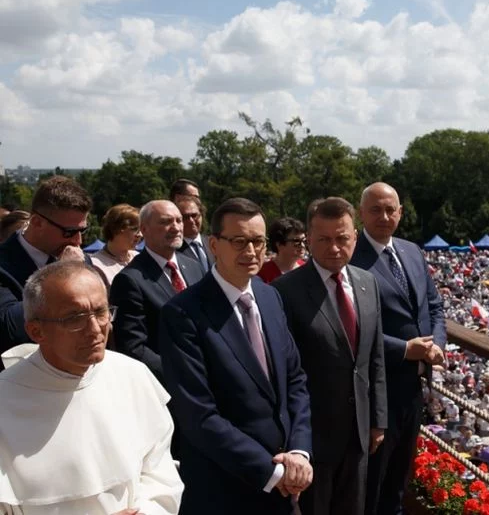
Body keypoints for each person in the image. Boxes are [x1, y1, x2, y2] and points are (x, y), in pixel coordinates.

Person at [159, 198, 312, 514]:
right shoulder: (183, 313)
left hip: (283, 485)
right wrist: (272, 471)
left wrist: (299, 451)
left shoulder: (270, 296)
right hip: (223, 489)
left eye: (258, 241)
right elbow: (198, 415)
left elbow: (295, 380)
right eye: (239, 241)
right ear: (214, 244)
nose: (252, 251)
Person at [0, 261, 183, 514]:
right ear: (36, 331)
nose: (95, 329)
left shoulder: (132, 376)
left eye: (101, 312)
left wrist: (148, 511)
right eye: (75, 318)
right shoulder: (5, 400)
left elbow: (160, 472)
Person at [272, 197, 387, 515]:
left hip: (359, 433)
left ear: (355, 237)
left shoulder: (368, 283)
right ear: (308, 239)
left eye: (342, 238)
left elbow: (374, 356)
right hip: (312, 438)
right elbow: (282, 370)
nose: (334, 248)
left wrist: (378, 419)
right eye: (324, 239)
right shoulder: (284, 291)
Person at [351, 182, 446, 515]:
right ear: (361, 213)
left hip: (412, 390)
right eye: (375, 209)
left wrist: (437, 346)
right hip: (375, 391)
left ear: (401, 213)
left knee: (398, 482)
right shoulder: (350, 258)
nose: (384, 216)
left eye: (391, 209)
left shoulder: (411, 251)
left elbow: (434, 306)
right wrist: (405, 349)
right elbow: (350, 327)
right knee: (371, 486)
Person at [109, 200, 203, 382]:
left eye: (178, 220)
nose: (176, 228)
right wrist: (181, 375)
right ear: (144, 229)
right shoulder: (130, 280)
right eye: (165, 222)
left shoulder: (194, 267)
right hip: (169, 387)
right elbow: (133, 347)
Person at [0, 176, 92, 358]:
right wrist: (61, 275)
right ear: (37, 222)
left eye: (82, 231)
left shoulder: (79, 259)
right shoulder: (4, 264)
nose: (78, 241)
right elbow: (9, 327)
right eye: (69, 232)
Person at [90, 204, 142, 287]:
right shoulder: (95, 264)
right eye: (135, 229)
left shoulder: (140, 258)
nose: (140, 235)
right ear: (116, 229)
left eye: (141, 230)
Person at [257, 217, 306, 283]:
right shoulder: (262, 274)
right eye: (296, 241)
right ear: (279, 244)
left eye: (304, 240)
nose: (302, 245)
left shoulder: (306, 269)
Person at [175, 196, 214, 274]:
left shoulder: (213, 243)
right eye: (185, 217)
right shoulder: (173, 249)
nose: (191, 220)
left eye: (194, 215)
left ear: (201, 215)